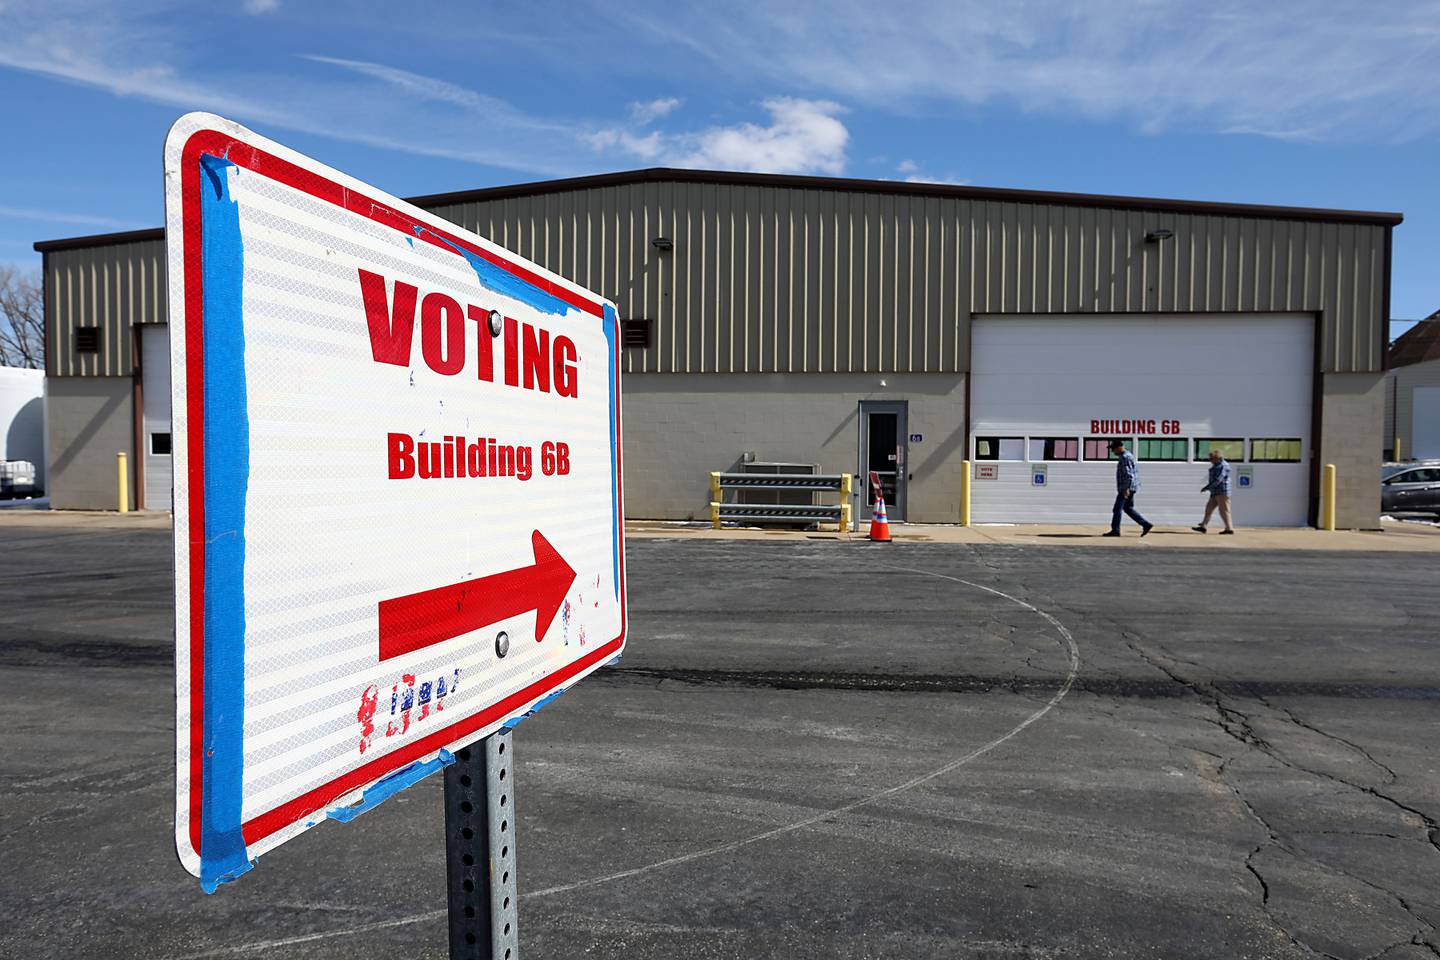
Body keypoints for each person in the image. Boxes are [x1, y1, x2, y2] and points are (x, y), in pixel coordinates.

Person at [1104, 439, 1153, 537]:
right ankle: (1145, 524)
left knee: (1117, 509)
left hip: (1126, 488)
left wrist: (1126, 488)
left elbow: (1129, 474)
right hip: (1131, 486)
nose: (1113, 451)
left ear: (1119, 447)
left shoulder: (1125, 457)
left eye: (1113, 449)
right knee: (1127, 508)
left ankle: (1115, 530)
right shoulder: (1128, 455)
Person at [1193, 449, 1235, 534]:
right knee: (1209, 509)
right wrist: (1209, 488)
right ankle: (1203, 526)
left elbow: (1218, 479)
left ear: (1217, 458)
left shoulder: (1223, 466)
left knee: (1224, 510)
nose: (1210, 460)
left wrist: (1208, 487)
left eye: (1211, 459)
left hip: (1222, 492)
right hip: (1215, 492)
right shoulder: (1216, 465)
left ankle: (1229, 529)